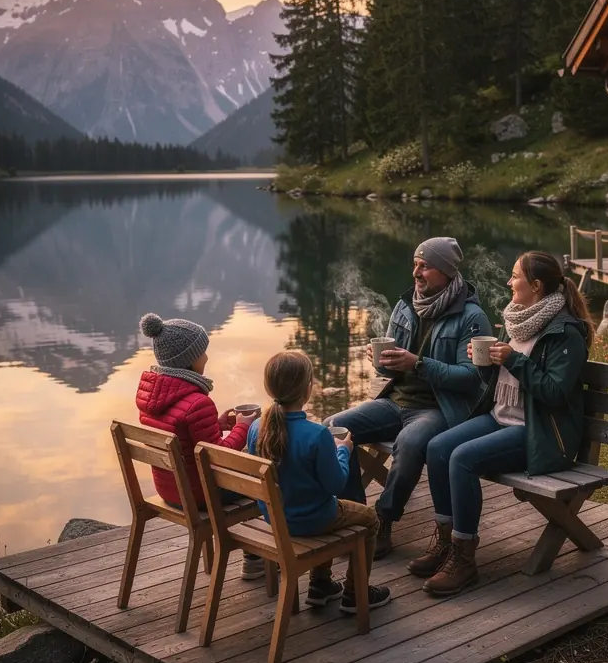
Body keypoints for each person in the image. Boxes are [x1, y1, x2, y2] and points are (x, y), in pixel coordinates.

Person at [410, 251, 594, 597]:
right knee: (437, 448)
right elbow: (504, 383)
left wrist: (514, 360)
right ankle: (446, 542)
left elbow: (554, 392)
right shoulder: (521, 320)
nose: (509, 283)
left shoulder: (566, 332)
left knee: (461, 459)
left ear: (536, 286)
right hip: (503, 418)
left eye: (515, 277)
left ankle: (464, 559)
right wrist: (486, 365)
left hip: (541, 434)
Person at [325, 237, 491, 560]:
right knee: (335, 427)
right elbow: (393, 364)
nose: (416, 271)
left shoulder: (471, 317)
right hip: (394, 400)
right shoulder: (406, 305)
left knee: (410, 443)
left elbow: (471, 378)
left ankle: (384, 519)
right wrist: (380, 362)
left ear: (444, 270)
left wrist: (418, 363)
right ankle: (360, 521)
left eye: (424, 265)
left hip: (437, 407)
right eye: (415, 263)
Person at [247, 350, 391, 613]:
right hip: (313, 519)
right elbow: (335, 484)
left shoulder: (257, 427)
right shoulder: (317, 435)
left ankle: (321, 586)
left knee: (325, 502)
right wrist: (343, 451)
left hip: (276, 518)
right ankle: (355, 593)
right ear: (307, 389)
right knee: (369, 518)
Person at [135, 312, 264, 580]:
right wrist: (244, 426)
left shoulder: (152, 399)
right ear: (190, 360)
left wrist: (216, 424)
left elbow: (187, 441)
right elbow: (219, 457)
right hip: (199, 495)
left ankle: (254, 557)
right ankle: (256, 558)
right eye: (202, 352)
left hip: (169, 490)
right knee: (262, 481)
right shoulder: (197, 402)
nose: (206, 357)